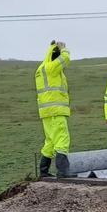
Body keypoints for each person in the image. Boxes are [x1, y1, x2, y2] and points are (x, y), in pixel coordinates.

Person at [35, 41, 71, 177]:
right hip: (56, 110)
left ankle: (44, 171)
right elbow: (66, 59)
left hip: (46, 112)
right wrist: (64, 49)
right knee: (62, 139)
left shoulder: (41, 69)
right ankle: (63, 171)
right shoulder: (51, 67)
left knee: (50, 141)